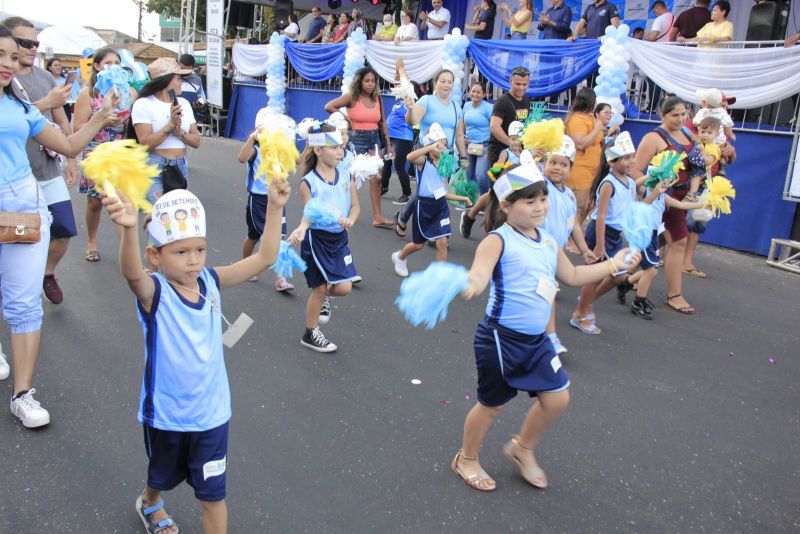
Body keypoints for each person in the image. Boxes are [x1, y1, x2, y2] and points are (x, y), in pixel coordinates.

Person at [102, 178, 288, 534]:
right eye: (181, 251)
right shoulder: (155, 292)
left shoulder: (211, 281)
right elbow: (131, 274)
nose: (193, 261)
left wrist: (277, 207)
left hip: (212, 415)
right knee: (161, 474)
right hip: (168, 415)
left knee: (213, 497)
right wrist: (128, 231)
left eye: (199, 250)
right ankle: (150, 501)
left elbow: (264, 257)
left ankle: (154, 499)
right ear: (155, 255)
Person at [452, 160, 640, 492]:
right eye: (530, 201)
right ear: (507, 206)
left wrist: (614, 263)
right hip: (500, 338)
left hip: (537, 340)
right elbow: (480, 272)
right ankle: (466, 457)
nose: (540, 207)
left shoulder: (549, 241)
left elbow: (572, 276)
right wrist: (473, 283)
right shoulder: (498, 240)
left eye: (542, 199)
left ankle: (521, 448)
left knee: (557, 399)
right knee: (492, 405)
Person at [0, 24, 121, 427]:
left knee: (23, 304)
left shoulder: (17, 104)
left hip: (21, 209)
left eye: (12, 58)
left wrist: (101, 115)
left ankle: (23, 394)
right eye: (1, 56)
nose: (7, 65)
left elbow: (68, 144)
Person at [5, 17, 77, 306]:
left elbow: (60, 119)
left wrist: (71, 157)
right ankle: (17, 289)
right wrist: (46, 103)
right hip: (15, 179)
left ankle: (46, 273)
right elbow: (12, 116)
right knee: (16, 241)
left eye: (36, 43)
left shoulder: (45, 77)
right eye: (25, 43)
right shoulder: (7, 79)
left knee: (64, 229)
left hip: (47, 170)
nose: (33, 48)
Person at [288, 124, 359, 353]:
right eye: (334, 147)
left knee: (345, 288)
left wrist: (350, 219)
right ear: (318, 150)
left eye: (341, 147)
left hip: (339, 240)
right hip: (316, 240)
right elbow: (310, 213)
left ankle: (323, 297)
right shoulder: (308, 183)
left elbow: (356, 207)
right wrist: (301, 228)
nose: (340, 151)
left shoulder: (346, 175)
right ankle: (310, 332)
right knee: (318, 289)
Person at [630, 96, 701, 314]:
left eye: (683, 114)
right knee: (678, 242)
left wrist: (693, 193)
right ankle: (674, 295)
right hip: (661, 200)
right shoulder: (654, 137)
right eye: (674, 115)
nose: (680, 119)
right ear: (662, 115)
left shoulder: (688, 133)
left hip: (681, 198)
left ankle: (627, 280)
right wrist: (650, 194)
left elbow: (698, 166)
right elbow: (635, 171)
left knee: (654, 243)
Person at [74, 47, 138, 265]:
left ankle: (128, 256)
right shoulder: (88, 94)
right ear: (98, 67)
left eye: (117, 63)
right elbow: (77, 127)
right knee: (95, 203)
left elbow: (137, 123)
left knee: (121, 201)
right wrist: (102, 120)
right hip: (96, 152)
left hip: (121, 153)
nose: (114, 67)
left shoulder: (129, 92)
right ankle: (91, 241)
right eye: (108, 63)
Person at [570, 132, 638, 335]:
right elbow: (600, 217)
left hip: (616, 235)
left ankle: (585, 301)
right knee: (595, 276)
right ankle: (580, 314)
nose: (631, 161)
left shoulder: (631, 182)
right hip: (602, 233)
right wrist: (599, 245)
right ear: (612, 161)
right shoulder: (608, 184)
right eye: (626, 158)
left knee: (618, 275)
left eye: (632, 157)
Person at [390, 123, 473, 277]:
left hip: (440, 207)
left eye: (444, 144)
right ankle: (400, 257)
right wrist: (429, 147)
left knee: (442, 242)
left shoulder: (445, 164)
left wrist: (464, 198)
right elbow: (409, 157)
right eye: (439, 144)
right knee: (418, 244)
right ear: (430, 146)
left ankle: (439, 278)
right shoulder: (423, 161)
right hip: (424, 207)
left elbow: (444, 192)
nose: (443, 148)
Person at [459, 66, 531, 239]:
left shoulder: (527, 101)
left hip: (518, 153)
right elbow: (494, 126)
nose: (521, 87)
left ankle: (471, 216)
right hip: (499, 152)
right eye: (517, 83)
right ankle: (491, 228)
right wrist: (510, 144)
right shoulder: (503, 102)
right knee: (500, 192)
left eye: (524, 84)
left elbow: (524, 125)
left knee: (507, 191)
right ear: (510, 82)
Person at [395, 69, 468, 236]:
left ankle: (436, 231)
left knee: (440, 191)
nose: (446, 85)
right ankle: (404, 218)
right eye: (442, 81)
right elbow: (412, 120)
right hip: (426, 152)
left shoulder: (457, 107)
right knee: (426, 191)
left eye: (450, 81)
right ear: (435, 83)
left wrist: (463, 156)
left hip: (445, 155)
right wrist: (411, 109)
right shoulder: (427, 100)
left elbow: (458, 134)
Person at [540, 137, 595, 355]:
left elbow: (574, 227)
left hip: (556, 254)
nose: (557, 168)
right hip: (536, 249)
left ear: (571, 168)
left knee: (544, 294)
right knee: (547, 293)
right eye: (552, 162)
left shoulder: (570, 196)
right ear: (544, 163)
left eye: (564, 164)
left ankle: (540, 335)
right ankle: (549, 337)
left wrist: (584, 250)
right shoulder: (540, 185)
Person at [624, 179, 705, 319]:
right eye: (665, 180)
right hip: (643, 233)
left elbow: (681, 204)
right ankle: (638, 302)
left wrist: (703, 203)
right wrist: (650, 176)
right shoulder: (646, 191)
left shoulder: (664, 197)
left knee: (649, 268)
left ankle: (625, 283)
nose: (668, 183)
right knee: (651, 271)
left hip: (653, 235)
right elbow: (635, 185)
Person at [324, 66, 395, 228]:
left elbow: (383, 121)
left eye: (373, 81)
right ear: (360, 82)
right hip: (356, 138)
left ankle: (377, 216)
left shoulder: (378, 98)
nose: (370, 84)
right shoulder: (352, 97)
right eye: (367, 81)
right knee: (350, 177)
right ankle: (339, 212)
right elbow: (329, 106)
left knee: (376, 176)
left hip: (374, 138)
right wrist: (346, 119)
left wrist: (388, 144)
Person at [132, 57, 201, 204]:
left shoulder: (184, 104)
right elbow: (144, 144)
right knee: (159, 215)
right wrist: (170, 126)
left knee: (176, 216)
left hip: (180, 165)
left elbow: (196, 141)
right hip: (155, 165)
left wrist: (180, 132)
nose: (181, 81)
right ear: (165, 80)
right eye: (178, 78)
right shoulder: (144, 104)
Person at [236, 112, 292, 292]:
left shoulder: (280, 150)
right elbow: (241, 158)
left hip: (277, 200)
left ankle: (281, 279)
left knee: (279, 238)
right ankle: (246, 267)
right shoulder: (256, 150)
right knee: (254, 237)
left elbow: (295, 161)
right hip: (258, 199)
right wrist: (252, 138)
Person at [564, 88, 604, 244]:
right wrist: (597, 128)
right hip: (579, 169)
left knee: (586, 206)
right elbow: (580, 143)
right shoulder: (577, 120)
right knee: (579, 207)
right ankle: (571, 239)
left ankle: (573, 237)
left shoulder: (589, 119)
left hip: (592, 171)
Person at [382, 88, 419, 204]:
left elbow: (413, 120)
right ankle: (384, 187)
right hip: (391, 138)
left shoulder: (412, 105)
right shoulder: (400, 102)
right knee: (386, 162)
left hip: (402, 139)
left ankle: (407, 194)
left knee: (398, 166)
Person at [462, 82, 493, 194]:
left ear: (484, 94)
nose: (475, 94)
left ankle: (484, 200)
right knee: (467, 175)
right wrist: (462, 136)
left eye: (478, 92)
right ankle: (469, 200)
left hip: (484, 145)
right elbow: (462, 123)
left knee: (481, 175)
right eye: (473, 91)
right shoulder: (466, 105)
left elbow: (493, 126)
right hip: (468, 145)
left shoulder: (488, 107)